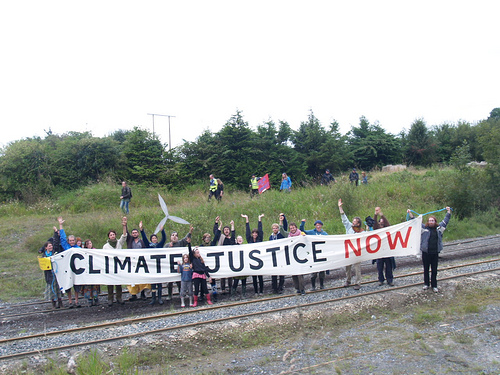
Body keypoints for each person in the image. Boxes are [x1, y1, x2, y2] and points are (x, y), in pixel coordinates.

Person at [409, 207, 452, 292]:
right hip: (426, 252)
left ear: (435, 222)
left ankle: (434, 285)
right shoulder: (423, 228)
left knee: (434, 270)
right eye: (430, 221)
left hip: (435, 253)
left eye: (432, 220)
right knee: (426, 269)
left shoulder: (439, 228)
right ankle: (426, 284)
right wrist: (410, 213)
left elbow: (446, 220)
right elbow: (415, 222)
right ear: (428, 222)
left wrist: (448, 211)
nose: (431, 222)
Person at [338, 198, 364, 290]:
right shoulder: (349, 227)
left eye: (354, 222)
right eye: (352, 222)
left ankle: (358, 282)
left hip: (356, 252)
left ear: (358, 224)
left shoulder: (361, 232)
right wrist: (340, 208)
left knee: (357, 268)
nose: (352, 223)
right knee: (347, 267)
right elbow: (344, 218)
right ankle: (348, 280)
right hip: (348, 251)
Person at [140, 221, 167, 305]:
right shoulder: (148, 245)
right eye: (153, 238)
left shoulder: (159, 245)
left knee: (159, 284)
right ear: (151, 240)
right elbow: (144, 238)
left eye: (155, 238)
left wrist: (162, 231)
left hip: (158, 267)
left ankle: (159, 298)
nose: (154, 239)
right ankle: (153, 299)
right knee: (153, 285)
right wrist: (141, 230)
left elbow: (164, 238)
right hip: (151, 267)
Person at [103, 217, 128, 306]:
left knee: (118, 283)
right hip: (110, 266)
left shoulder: (119, 243)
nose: (112, 236)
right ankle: (110, 299)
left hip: (119, 265)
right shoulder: (105, 246)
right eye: (111, 235)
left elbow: (124, 236)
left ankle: (119, 297)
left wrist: (124, 226)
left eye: (113, 234)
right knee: (110, 284)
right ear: (109, 236)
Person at [58, 216, 82, 308]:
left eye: (73, 240)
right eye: (70, 240)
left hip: (76, 270)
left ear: (75, 241)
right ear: (69, 241)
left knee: (76, 286)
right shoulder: (66, 247)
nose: (72, 242)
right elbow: (62, 238)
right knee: (68, 286)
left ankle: (76, 301)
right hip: (67, 269)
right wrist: (61, 225)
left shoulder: (78, 248)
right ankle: (70, 301)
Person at [166, 226, 193, 300]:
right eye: (173, 235)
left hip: (179, 266)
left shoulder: (180, 243)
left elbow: (185, 239)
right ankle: (169, 295)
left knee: (179, 282)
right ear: (170, 237)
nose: (174, 237)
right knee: (170, 282)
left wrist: (190, 232)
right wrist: (169, 248)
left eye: (176, 236)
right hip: (170, 266)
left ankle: (181, 294)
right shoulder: (167, 245)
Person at [300, 218, 328, 290]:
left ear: (321, 226)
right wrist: (302, 223)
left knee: (322, 272)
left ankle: (321, 285)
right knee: (314, 272)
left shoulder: (324, 234)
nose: (318, 226)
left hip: (321, 254)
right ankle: (313, 286)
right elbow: (302, 230)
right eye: (316, 225)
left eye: (319, 225)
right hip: (314, 254)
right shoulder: (312, 232)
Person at [280, 218, 305, 295]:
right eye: (291, 228)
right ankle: (297, 288)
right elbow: (281, 231)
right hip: (291, 257)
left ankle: (302, 289)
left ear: (296, 227)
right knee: (294, 274)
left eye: (293, 228)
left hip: (300, 257)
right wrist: (281, 221)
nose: (292, 229)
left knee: (300, 274)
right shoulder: (288, 235)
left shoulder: (301, 234)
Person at [242, 213, 265, 296]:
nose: (254, 235)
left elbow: (261, 230)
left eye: (256, 233)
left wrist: (259, 219)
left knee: (260, 277)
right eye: (253, 233)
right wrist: (246, 219)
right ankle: (256, 291)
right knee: (254, 278)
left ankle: (261, 291)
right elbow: (247, 232)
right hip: (252, 261)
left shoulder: (260, 239)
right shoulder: (249, 240)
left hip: (260, 261)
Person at [40, 228, 63, 309]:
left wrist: (55, 233)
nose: (51, 247)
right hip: (49, 274)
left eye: (51, 246)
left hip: (56, 273)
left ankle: (60, 303)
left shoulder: (55, 252)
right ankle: (54, 304)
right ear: (46, 247)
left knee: (58, 288)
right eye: (49, 246)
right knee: (51, 288)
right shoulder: (44, 256)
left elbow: (56, 242)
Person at [126, 224, 149, 302]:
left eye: (136, 232)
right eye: (133, 233)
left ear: (138, 233)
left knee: (142, 278)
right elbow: (126, 233)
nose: (134, 234)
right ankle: (133, 294)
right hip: (132, 262)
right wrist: (125, 225)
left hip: (140, 262)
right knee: (133, 279)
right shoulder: (130, 240)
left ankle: (143, 293)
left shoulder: (141, 241)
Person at [372, 207, 394, 287]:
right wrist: (375, 214)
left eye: (382, 223)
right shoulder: (377, 230)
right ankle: (381, 280)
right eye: (380, 223)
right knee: (379, 267)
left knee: (389, 266)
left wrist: (381, 215)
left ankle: (390, 280)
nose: (381, 225)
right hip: (379, 251)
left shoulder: (387, 229)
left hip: (387, 251)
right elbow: (374, 224)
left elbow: (388, 224)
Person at [213, 218, 236, 294]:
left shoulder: (232, 239)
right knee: (222, 273)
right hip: (222, 258)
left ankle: (230, 287)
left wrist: (232, 226)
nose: (226, 231)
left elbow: (233, 236)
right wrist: (217, 223)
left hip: (229, 258)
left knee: (230, 273)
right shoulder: (222, 237)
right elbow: (216, 233)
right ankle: (223, 288)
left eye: (227, 229)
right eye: (225, 229)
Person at [188, 240, 213, 307]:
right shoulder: (193, 259)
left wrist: (209, 276)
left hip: (202, 275)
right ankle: (195, 301)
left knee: (205, 288)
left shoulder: (201, 260)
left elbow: (205, 269)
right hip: (196, 275)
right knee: (196, 289)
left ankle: (208, 300)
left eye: (199, 253)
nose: (198, 254)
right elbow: (190, 252)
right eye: (197, 253)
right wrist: (189, 243)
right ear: (194, 254)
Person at [269, 219, 286, 294]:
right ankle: (274, 288)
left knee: (281, 272)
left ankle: (281, 287)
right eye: (274, 228)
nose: (275, 229)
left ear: (278, 229)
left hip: (281, 255)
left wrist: (282, 221)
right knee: (274, 273)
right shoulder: (271, 237)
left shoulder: (280, 235)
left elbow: (284, 227)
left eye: (276, 228)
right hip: (273, 256)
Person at [82, 239, 100, 306]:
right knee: (88, 287)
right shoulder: (84, 252)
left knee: (95, 286)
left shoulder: (95, 251)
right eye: (88, 244)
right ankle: (89, 300)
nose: (89, 245)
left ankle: (96, 298)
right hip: (87, 271)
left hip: (94, 270)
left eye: (90, 243)